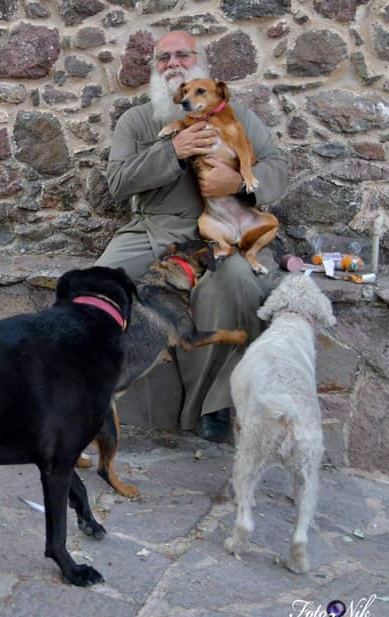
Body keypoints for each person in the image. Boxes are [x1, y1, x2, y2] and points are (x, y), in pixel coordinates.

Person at [97, 31, 289, 442]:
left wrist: (238, 182)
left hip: (220, 235)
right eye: (163, 58)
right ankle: (90, 395)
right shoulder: (136, 120)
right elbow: (116, 182)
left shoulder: (235, 116)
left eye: (182, 55)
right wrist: (174, 150)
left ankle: (213, 407)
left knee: (238, 283)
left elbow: (277, 167)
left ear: (200, 63)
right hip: (152, 229)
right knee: (99, 289)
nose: (173, 63)